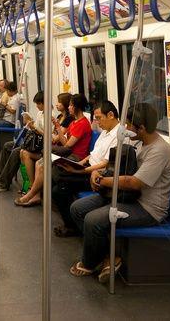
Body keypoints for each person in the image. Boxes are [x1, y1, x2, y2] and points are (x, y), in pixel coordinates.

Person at [69, 103, 170, 284]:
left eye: (128, 125)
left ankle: (90, 263)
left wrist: (101, 181)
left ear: (141, 128)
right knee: (77, 209)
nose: (125, 128)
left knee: (93, 219)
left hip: (147, 208)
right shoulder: (139, 142)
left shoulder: (159, 151)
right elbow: (114, 166)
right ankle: (107, 257)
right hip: (127, 197)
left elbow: (134, 183)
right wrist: (99, 173)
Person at [51, 100, 121, 237]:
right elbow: (93, 154)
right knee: (59, 177)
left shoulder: (118, 136)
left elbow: (105, 164)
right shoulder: (106, 131)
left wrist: (80, 170)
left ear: (111, 115)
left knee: (59, 187)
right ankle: (71, 223)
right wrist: (81, 163)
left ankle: (72, 226)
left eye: (99, 118)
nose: (97, 123)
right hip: (88, 167)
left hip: (97, 174)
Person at [15, 94, 91, 207]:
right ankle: (35, 195)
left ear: (76, 107)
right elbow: (63, 141)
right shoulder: (73, 122)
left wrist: (58, 128)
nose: (69, 107)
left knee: (42, 165)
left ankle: (31, 195)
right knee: (39, 163)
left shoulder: (82, 124)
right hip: (67, 153)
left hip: (76, 157)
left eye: (70, 105)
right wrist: (57, 126)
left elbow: (67, 144)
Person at [0, 91, 44, 192]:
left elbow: (45, 134)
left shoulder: (50, 116)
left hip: (39, 145)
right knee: (7, 145)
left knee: (16, 151)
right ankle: (1, 176)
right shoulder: (40, 113)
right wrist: (31, 123)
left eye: (39, 104)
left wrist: (34, 127)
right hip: (33, 140)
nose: (37, 106)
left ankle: (3, 183)